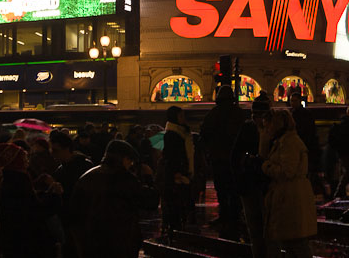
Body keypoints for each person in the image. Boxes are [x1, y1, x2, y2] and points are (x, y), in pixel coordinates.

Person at [70, 140, 159, 258]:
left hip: (91, 242)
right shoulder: (126, 180)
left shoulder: (87, 177)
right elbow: (150, 202)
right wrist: (148, 178)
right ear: (124, 159)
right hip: (120, 242)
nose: (130, 165)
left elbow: (74, 212)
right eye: (130, 161)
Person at [260, 109, 317, 258]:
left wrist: (265, 166)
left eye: (268, 126)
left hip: (291, 198)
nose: (266, 129)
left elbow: (287, 171)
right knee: (292, 242)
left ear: (276, 125)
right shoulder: (284, 140)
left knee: (296, 243)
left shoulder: (288, 142)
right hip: (288, 196)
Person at [200, 85, 247, 239]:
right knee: (234, 189)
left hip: (218, 158)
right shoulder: (238, 113)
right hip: (235, 159)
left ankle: (225, 215)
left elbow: (204, 134)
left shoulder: (213, 114)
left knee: (221, 189)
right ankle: (235, 216)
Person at [231, 93, 271, 258]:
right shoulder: (252, 129)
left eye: (260, 115)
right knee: (256, 228)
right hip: (253, 184)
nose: (257, 118)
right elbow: (234, 157)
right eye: (255, 115)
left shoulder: (269, 131)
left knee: (264, 228)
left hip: (263, 185)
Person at [50, 130, 94, 258]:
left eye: (56, 150)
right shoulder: (60, 169)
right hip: (67, 221)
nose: (52, 154)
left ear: (67, 149)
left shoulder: (83, 167)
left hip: (80, 222)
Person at [157, 106, 194, 236]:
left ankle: (174, 228)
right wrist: (176, 172)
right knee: (176, 203)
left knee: (177, 203)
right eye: (181, 116)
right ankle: (174, 230)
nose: (183, 118)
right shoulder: (173, 135)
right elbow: (171, 156)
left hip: (178, 172)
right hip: (175, 174)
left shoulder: (179, 133)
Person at [329, 106, 349, 198]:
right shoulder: (348, 124)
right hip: (347, 152)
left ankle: (340, 191)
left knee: (347, 171)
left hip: (343, 151)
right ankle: (339, 191)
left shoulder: (344, 123)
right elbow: (348, 139)